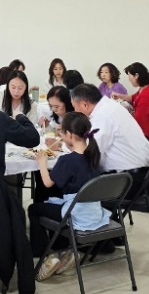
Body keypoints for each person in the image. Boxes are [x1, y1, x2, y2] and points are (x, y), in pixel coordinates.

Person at [30, 112, 109, 280]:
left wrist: (42, 162)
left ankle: (43, 253)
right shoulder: (95, 155)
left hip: (75, 214)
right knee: (55, 200)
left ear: (70, 135)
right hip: (94, 212)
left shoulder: (67, 161)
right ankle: (64, 252)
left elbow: (47, 183)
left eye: (62, 133)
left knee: (34, 208)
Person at [70, 84, 149, 195]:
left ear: (84, 104)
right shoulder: (109, 106)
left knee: (68, 183)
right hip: (139, 175)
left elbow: (89, 153)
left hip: (129, 181)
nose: (75, 111)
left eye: (75, 107)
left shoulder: (103, 116)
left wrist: (68, 143)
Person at [114, 62, 149, 142]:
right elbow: (134, 98)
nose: (129, 79)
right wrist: (120, 96)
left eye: (129, 76)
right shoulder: (148, 87)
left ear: (136, 76)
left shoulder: (146, 95)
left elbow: (140, 119)